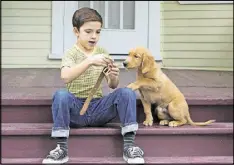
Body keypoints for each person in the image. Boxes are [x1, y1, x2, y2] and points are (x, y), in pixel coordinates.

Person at [42, 7, 144, 164]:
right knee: (61, 95)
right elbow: (65, 77)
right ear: (76, 31)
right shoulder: (71, 53)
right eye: (88, 31)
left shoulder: (102, 52)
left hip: (98, 109)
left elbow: (112, 86)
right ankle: (61, 149)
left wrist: (113, 76)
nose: (94, 36)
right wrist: (89, 61)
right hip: (76, 109)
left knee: (127, 92)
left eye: (98, 32)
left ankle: (129, 147)